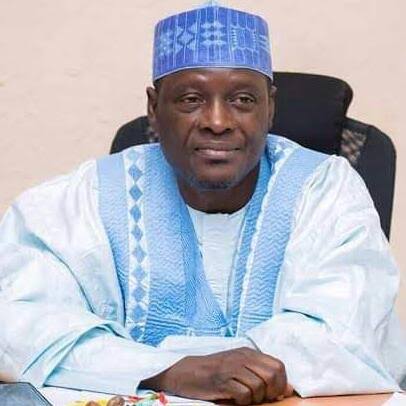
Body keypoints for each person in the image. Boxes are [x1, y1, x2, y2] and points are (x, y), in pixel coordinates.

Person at [0, 3, 405, 404]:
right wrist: (173, 370)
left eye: (243, 100)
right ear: (154, 108)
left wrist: (133, 361)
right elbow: (16, 325)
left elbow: (345, 336)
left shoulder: (326, 190)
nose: (217, 121)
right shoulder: (82, 199)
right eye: (191, 99)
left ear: (271, 108)